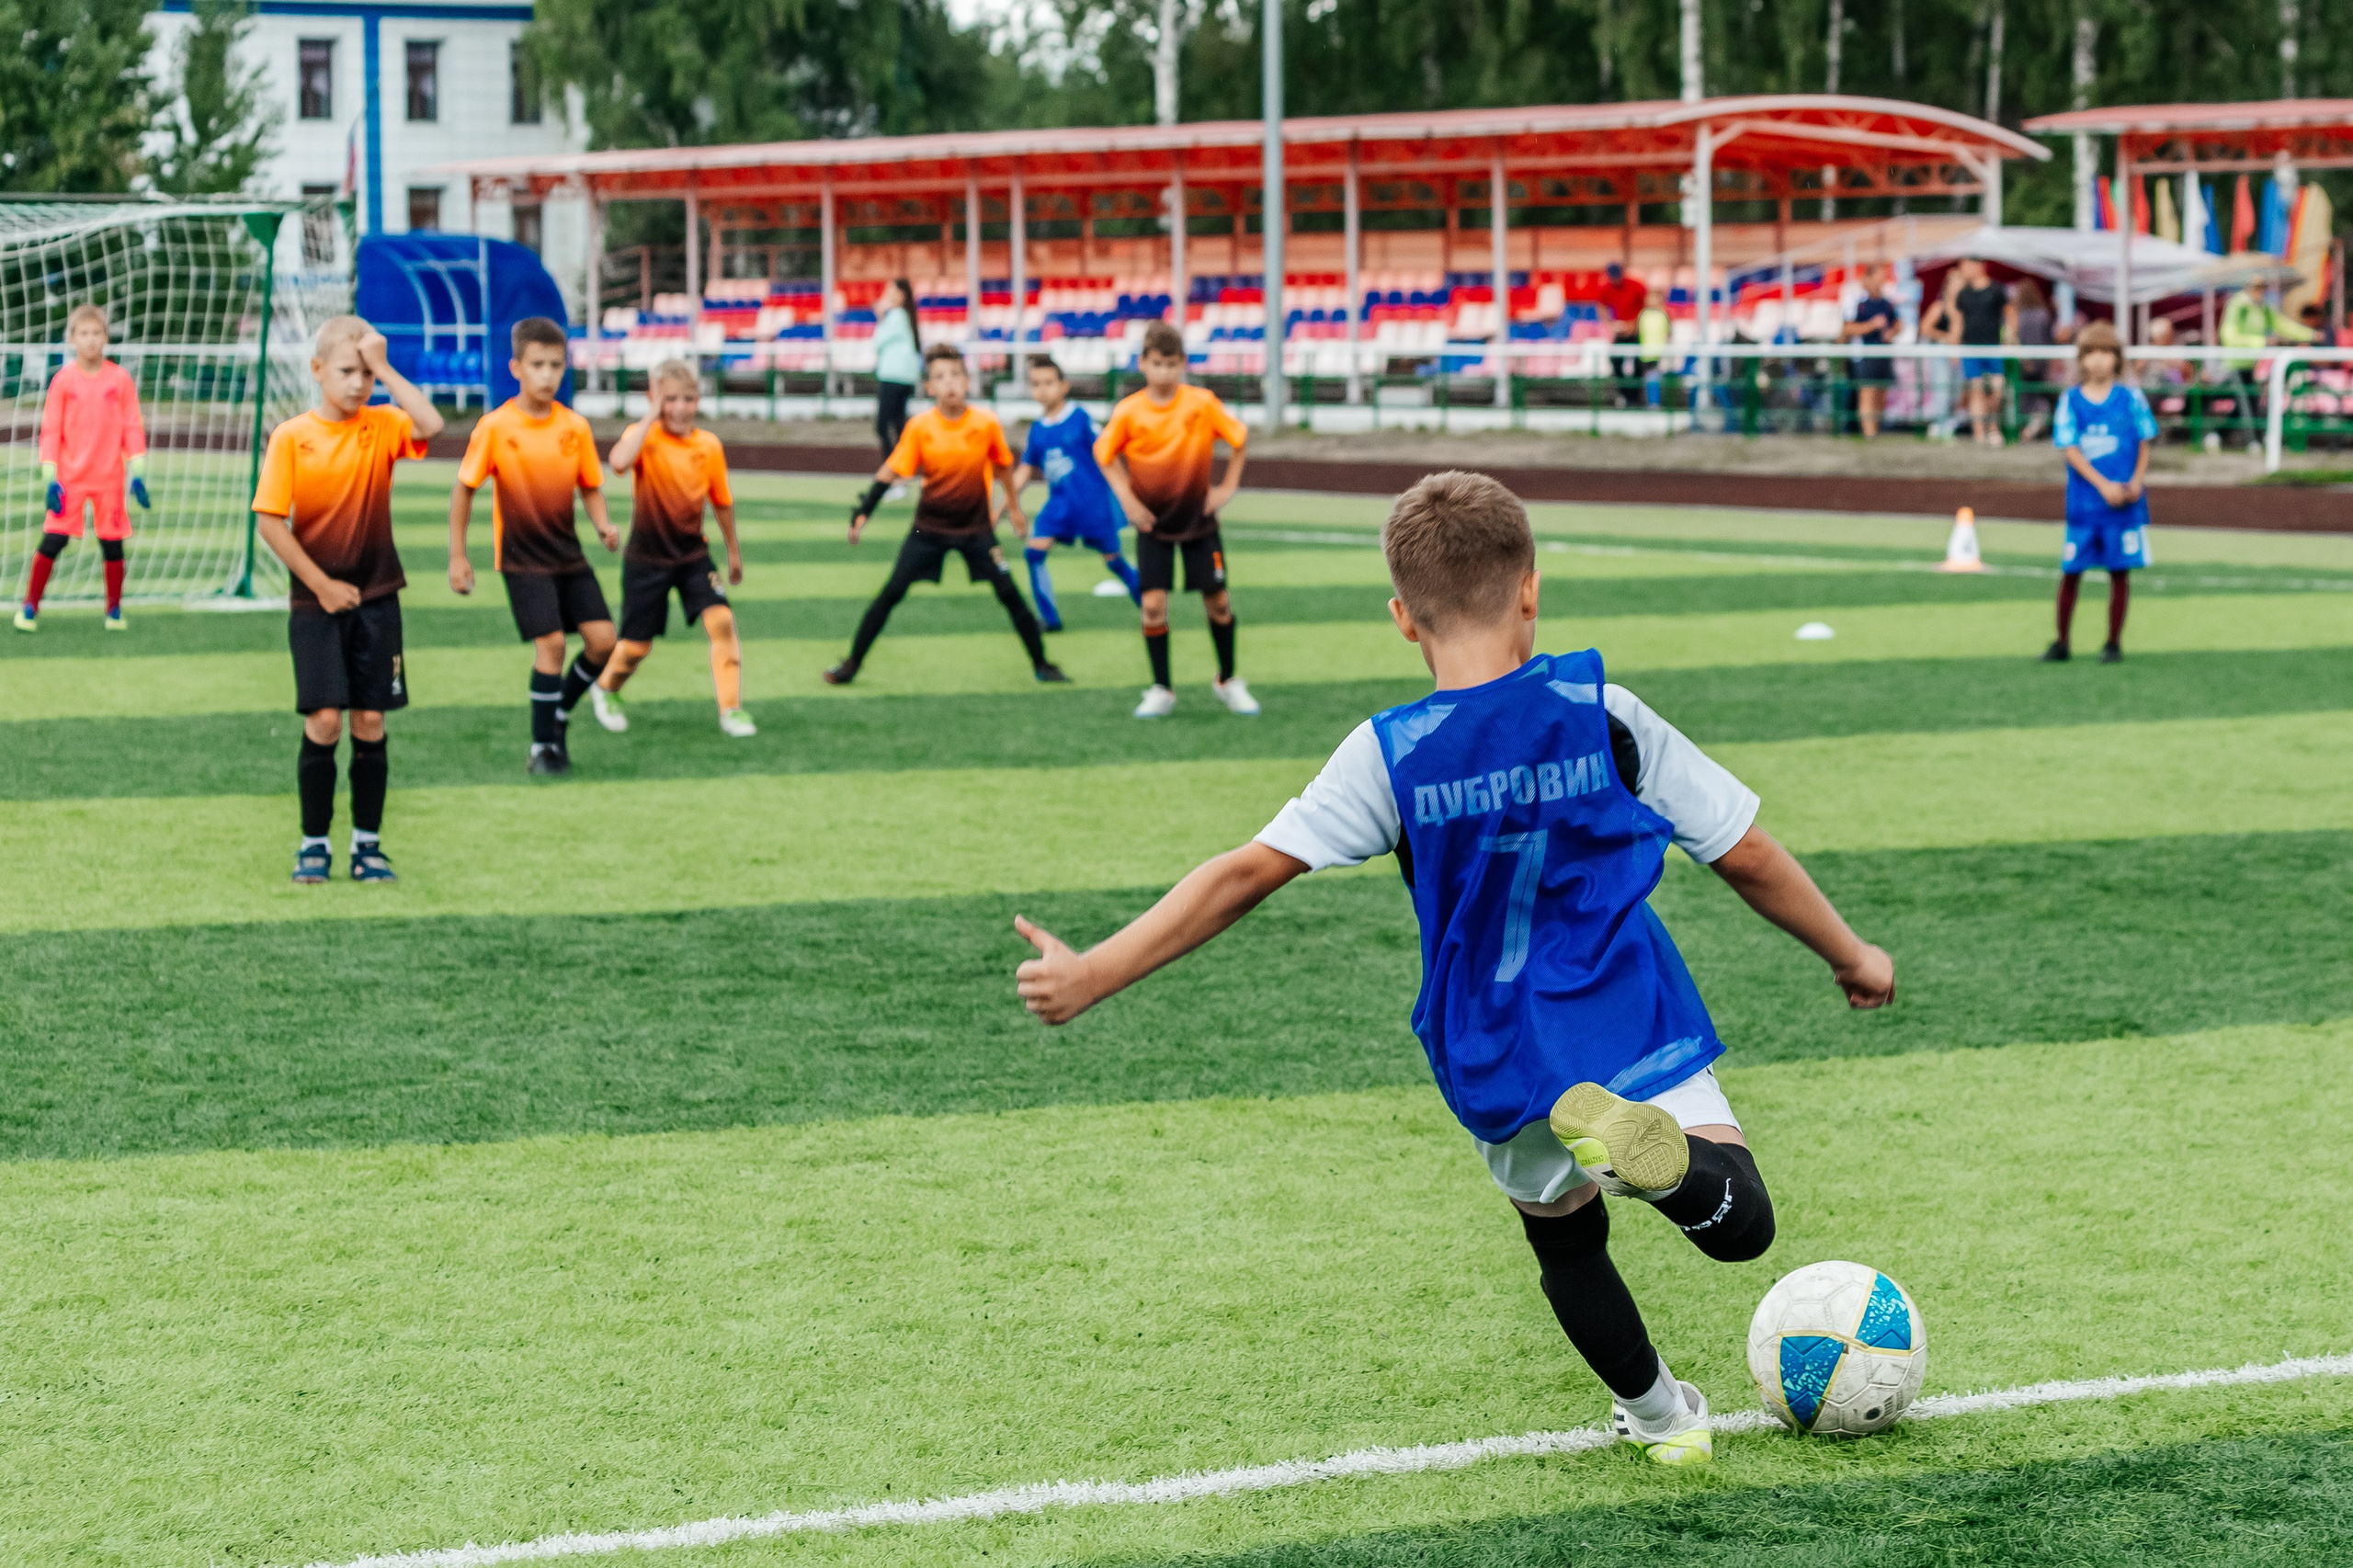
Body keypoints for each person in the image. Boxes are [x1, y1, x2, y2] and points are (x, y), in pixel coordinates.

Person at [1013, 470, 1895, 1467]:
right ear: (1530, 588)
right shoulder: (1599, 709)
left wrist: (1093, 972)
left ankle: (1660, 1415)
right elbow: (1742, 850)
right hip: (1620, 1005)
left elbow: (1244, 873)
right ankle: (1678, 1165)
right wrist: (1850, 951)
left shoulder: (1387, 754)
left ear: (1401, 617)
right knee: (1740, 1219)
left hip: (1492, 1040)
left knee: (1563, 1237)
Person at [249, 315, 445, 883]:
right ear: (316, 371)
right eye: (347, 372)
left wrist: (385, 365)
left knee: (369, 720)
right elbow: (270, 522)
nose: (359, 384)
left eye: (366, 373)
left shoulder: (382, 425)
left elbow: (430, 423)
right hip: (316, 604)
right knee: (325, 720)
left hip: (379, 597)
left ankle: (367, 843)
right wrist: (322, 586)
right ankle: (314, 843)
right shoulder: (292, 436)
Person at [825, 343, 1065, 687]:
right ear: (930, 388)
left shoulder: (986, 424)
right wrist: (863, 511)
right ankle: (850, 665)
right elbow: (891, 471)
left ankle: (1042, 664)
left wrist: (1013, 508)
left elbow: (1003, 467)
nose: (949, 382)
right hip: (928, 530)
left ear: (968, 382)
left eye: (956, 374)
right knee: (890, 593)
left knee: (1010, 595)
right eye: (940, 376)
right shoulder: (921, 427)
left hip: (976, 530)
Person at [449, 316, 620, 777]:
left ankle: (559, 712)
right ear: (516, 368)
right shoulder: (494, 427)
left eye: (556, 365)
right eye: (538, 364)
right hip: (522, 560)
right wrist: (458, 556)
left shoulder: (575, 427)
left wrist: (603, 524)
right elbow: (464, 489)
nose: (548, 375)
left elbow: (590, 485)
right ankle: (542, 747)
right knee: (551, 646)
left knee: (604, 643)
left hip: (569, 555)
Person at [1097, 320, 1255, 718]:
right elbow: (1105, 455)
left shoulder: (1201, 403)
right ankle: (1161, 688)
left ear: (1182, 363)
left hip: (1199, 523)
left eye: (1171, 363)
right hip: (1153, 525)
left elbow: (1239, 439)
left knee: (1218, 602)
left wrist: (1227, 488)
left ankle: (1228, 679)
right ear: (1142, 363)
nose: (1163, 372)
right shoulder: (1129, 411)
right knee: (1152, 606)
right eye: (1156, 363)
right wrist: (1128, 501)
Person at [590, 358, 755, 738]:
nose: (681, 408)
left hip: (693, 555)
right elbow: (617, 462)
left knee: (722, 622)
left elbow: (722, 502)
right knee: (635, 647)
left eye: (689, 398)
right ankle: (605, 688)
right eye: (671, 399)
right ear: (654, 400)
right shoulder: (644, 437)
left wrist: (733, 552)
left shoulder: (709, 445)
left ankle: (731, 710)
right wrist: (649, 417)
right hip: (646, 559)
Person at [16, 304, 148, 632]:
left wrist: (139, 470)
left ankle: (114, 611)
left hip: (109, 480)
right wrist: (50, 478)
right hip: (69, 480)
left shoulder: (120, 379)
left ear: (106, 337)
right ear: (72, 339)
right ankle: (30, 606)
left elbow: (132, 426)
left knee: (113, 544)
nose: (90, 340)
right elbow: (50, 430)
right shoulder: (63, 381)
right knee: (53, 540)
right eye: (83, 334)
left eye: (97, 333)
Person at [2045, 322, 2154, 665]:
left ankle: (2113, 643)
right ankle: (2062, 642)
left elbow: (2144, 441)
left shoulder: (2131, 399)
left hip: (2123, 505)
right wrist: (2103, 485)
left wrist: (2136, 480)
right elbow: (2070, 448)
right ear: (2081, 360)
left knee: (2119, 572)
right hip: (2084, 506)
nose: (2098, 360)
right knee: (2071, 572)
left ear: (2117, 359)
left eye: (2106, 352)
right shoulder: (2071, 401)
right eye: (2091, 353)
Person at [1009, 354, 1142, 631]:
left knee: (1114, 561)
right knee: (1034, 553)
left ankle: (1149, 606)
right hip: (1059, 506)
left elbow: (1107, 454)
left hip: (1092, 504)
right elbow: (1024, 471)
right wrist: (1006, 503)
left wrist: (1127, 493)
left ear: (1063, 386)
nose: (1042, 389)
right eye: (1035, 384)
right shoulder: (1037, 431)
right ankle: (1050, 620)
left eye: (1048, 382)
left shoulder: (1080, 419)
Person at [1941, 258, 2014, 447]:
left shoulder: (1997, 289)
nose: (1963, 270)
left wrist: (2009, 339)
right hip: (1970, 348)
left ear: (1978, 266)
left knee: (1998, 389)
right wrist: (1954, 349)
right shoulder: (1963, 294)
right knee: (1976, 391)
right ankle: (1980, 434)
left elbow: (2010, 315)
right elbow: (1958, 322)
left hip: (1993, 348)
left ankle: (1992, 427)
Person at [1840, 263, 1899, 439]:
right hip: (1863, 355)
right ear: (1868, 279)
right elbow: (1847, 329)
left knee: (1880, 393)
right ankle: (1869, 433)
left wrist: (1892, 332)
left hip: (1883, 354)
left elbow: (1897, 323)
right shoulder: (1855, 301)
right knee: (1867, 392)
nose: (1881, 282)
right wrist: (1871, 325)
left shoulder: (1886, 302)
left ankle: (1876, 430)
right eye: (1879, 278)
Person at [872, 278, 922, 482]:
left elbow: (877, 342)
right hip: (904, 378)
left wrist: (880, 317)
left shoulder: (896, 317)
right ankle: (904, 472)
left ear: (901, 295)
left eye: (890, 292)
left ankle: (894, 475)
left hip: (894, 378)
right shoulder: (905, 317)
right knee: (899, 427)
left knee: (883, 427)